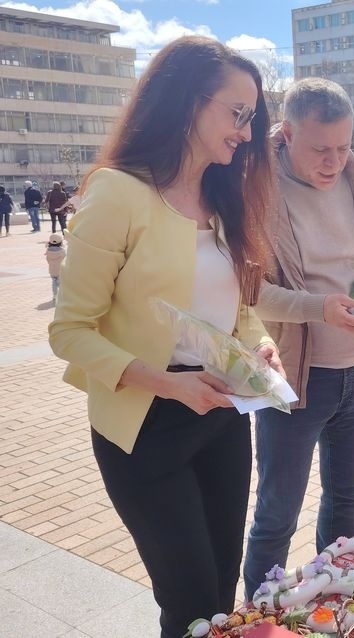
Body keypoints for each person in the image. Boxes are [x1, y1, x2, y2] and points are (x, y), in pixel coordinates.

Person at [48, 36, 280, 638]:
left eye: (252, 118)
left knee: (221, 597)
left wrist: (258, 345)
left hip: (224, 417)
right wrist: (166, 384)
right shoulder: (117, 193)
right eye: (237, 114)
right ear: (187, 103)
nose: (247, 132)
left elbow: (235, 308)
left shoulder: (222, 198)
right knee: (190, 604)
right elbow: (70, 330)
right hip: (144, 429)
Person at [243, 77, 354, 600]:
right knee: (275, 516)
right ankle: (256, 620)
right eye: (320, 149)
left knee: (345, 504)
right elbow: (250, 292)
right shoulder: (256, 190)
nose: (334, 161)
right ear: (286, 134)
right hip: (294, 380)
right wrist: (319, 309)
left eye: (344, 147)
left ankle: (327, 604)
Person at [45, 232, 65, 301]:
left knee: (54, 283)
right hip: (60, 270)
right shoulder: (62, 251)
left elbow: (48, 260)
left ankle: (55, 295)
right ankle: (62, 295)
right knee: (61, 283)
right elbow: (65, 260)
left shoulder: (48, 251)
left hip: (52, 270)